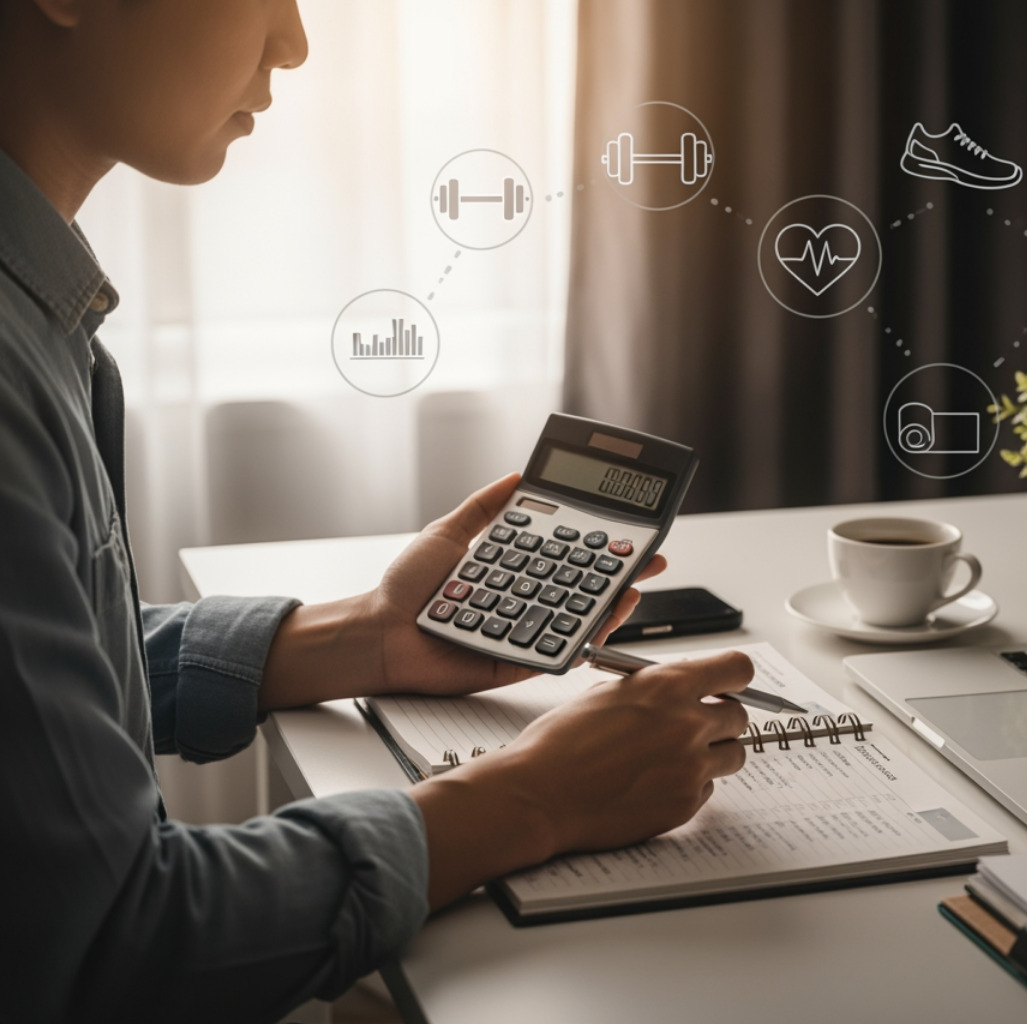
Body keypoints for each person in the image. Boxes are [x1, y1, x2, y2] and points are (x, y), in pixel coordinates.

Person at [0, 1, 752, 1020]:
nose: (294, 42)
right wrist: (531, 799)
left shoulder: (39, 312)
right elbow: (117, 946)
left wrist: (359, 639)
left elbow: (44, 694)